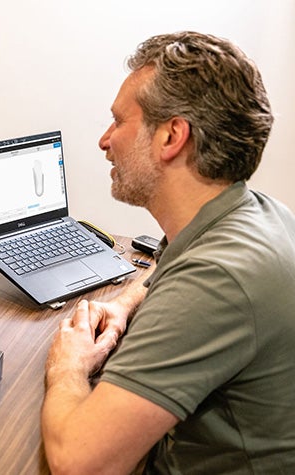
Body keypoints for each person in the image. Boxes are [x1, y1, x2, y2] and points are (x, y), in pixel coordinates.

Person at [41, 31, 295, 473]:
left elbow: (79, 462)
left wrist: (69, 366)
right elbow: (168, 264)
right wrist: (123, 304)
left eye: (119, 122)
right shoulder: (259, 213)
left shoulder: (217, 280)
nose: (105, 140)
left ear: (172, 136)